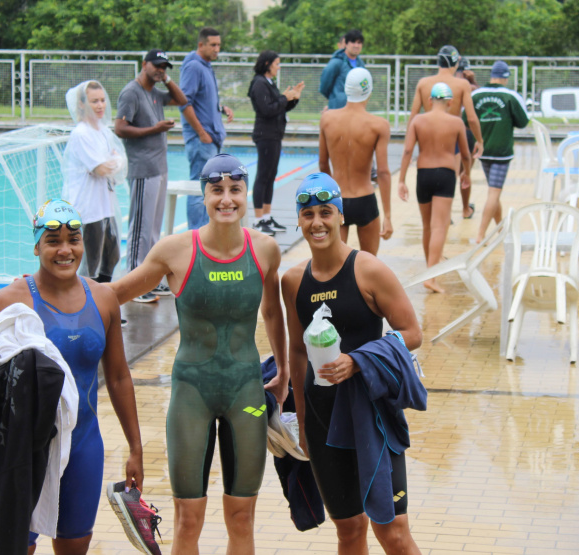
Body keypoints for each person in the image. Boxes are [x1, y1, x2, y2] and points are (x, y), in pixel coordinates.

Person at [107, 154, 288, 555]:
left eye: (235, 190)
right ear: (203, 196)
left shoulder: (265, 250)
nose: (226, 199)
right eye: (216, 190)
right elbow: (116, 293)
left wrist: (284, 370)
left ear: (246, 194)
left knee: (242, 517)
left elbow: (273, 311)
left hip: (245, 392)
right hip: (192, 393)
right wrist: (55, 289)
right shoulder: (175, 250)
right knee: (187, 519)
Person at [0, 199, 144, 555]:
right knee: (16, 547)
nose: (65, 250)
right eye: (53, 241)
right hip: (24, 451)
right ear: (36, 246)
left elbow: (119, 378)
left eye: (73, 240)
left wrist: (135, 448)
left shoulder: (103, 299)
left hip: (83, 444)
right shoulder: (10, 303)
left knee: (74, 546)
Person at [281, 173, 424, 555]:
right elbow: (297, 352)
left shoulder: (368, 269)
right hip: (323, 421)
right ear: (299, 220)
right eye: (308, 214)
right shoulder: (292, 280)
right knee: (349, 531)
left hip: (371, 418)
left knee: (393, 532)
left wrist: (358, 361)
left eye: (325, 212)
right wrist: (303, 422)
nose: (317, 222)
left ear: (340, 216)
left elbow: (412, 332)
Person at [115, 49, 195, 303]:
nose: (161, 70)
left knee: (152, 229)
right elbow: (120, 128)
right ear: (144, 64)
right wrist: (155, 129)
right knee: (140, 228)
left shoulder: (155, 93)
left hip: (159, 168)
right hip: (143, 168)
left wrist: (167, 80)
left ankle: (149, 279)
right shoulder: (131, 92)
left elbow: (182, 100)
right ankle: (134, 283)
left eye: (165, 67)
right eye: (157, 65)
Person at [398, 83, 472, 294]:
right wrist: (467, 173)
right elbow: (465, 154)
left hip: (424, 174)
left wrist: (401, 180)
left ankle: (430, 269)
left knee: (427, 226)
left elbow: (407, 151)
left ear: (430, 101)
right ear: (450, 102)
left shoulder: (418, 121)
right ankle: (431, 276)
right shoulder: (456, 122)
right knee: (439, 226)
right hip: (445, 174)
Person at [318, 68, 392, 255]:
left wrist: (327, 200)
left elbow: (323, 164)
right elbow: (383, 172)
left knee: (335, 264)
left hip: (337, 199)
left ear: (346, 89)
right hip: (365, 199)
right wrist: (388, 216)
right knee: (369, 263)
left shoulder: (327, 119)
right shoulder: (379, 125)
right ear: (369, 90)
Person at [408, 45, 484, 220]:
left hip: (427, 138)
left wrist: (409, 147)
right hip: (451, 139)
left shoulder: (423, 83)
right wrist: (479, 140)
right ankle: (446, 214)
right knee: (450, 177)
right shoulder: (462, 84)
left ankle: (435, 213)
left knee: (428, 174)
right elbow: (471, 118)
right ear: (455, 63)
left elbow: (413, 117)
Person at [61, 80, 127, 284]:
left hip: (105, 205)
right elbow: (101, 168)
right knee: (91, 263)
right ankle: (86, 300)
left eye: (102, 100)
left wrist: (115, 161)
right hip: (89, 209)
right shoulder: (81, 134)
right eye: (94, 101)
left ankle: (102, 297)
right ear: (82, 104)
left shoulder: (102, 131)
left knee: (111, 256)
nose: (100, 105)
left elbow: (114, 162)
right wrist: (116, 161)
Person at [180, 27, 234, 231]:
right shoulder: (194, 67)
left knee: (210, 188)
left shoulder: (206, 66)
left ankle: (206, 233)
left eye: (219, 45)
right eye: (213, 45)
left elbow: (202, 100)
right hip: (201, 141)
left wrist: (221, 108)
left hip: (212, 139)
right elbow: (184, 103)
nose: (217, 49)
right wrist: (201, 133)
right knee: (199, 189)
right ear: (201, 45)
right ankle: (195, 235)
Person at [471, 61, 530, 243]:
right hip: (502, 152)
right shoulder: (510, 96)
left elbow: (467, 119)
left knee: (493, 191)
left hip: (484, 149)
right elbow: (523, 122)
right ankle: (481, 235)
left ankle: (501, 229)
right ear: (505, 78)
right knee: (494, 193)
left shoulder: (476, 95)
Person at [247, 49, 304, 236]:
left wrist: (293, 98)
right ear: (267, 64)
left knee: (271, 176)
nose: (278, 68)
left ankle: (266, 216)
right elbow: (267, 109)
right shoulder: (259, 83)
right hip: (265, 135)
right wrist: (284, 98)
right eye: (276, 64)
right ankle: (257, 220)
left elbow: (279, 107)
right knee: (263, 176)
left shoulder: (269, 83)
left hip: (275, 135)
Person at [319, 29, 365, 110]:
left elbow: (364, 86)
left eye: (359, 43)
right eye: (353, 42)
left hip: (356, 110)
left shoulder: (361, 64)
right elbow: (324, 87)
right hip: (338, 110)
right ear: (346, 44)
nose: (356, 46)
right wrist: (336, 98)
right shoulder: (336, 63)